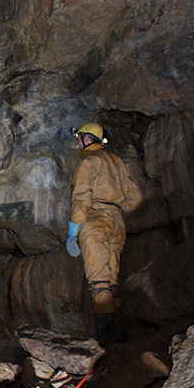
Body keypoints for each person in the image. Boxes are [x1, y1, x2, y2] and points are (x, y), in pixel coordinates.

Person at [66, 122, 143, 345]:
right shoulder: (117, 162)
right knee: (112, 280)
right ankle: (121, 338)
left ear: (88, 139)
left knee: (99, 281)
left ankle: (107, 342)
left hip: (94, 220)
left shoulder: (88, 162)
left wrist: (73, 232)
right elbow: (136, 196)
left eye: (79, 138)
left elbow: (81, 199)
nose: (77, 142)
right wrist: (117, 210)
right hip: (117, 222)